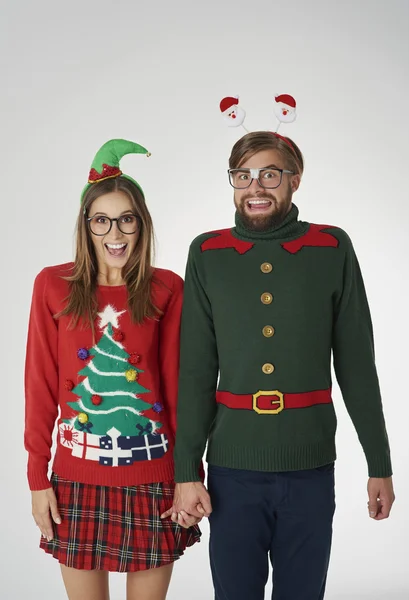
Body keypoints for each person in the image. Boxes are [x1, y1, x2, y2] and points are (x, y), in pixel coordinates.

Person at [162, 131, 395, 599]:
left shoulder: (331, 248)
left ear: (295, 180)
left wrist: (380, 464)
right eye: (243, 175)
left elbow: (357, 365)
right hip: (231, 468)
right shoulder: (208, 254)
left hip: (309, 466)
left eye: (270, 174)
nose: (256, 187)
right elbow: (195, 373)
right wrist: (186, 473)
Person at [25, 139, 201, 600]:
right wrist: (37, 478)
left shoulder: (167, 289)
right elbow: (40, 386)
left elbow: (180, 388)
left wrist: (189, 474)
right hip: (76, 480)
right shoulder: (52, 286)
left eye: (127, 218)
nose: (115, 232)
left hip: (152, 476)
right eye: (101, 220)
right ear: (86, 226)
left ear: (141, 225)